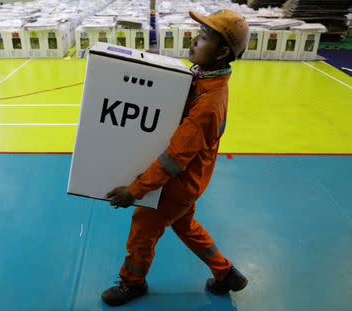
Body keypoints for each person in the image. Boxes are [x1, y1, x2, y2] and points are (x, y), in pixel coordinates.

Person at [102, 9, 251, 307]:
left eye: (204, 38)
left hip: (179, 184)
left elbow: (174, 158)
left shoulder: (209, 102)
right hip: (193, 181)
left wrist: (135, 191)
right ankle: (226, 274)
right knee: (186, 227)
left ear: (222, 52)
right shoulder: (204, 77)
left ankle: (133, 284)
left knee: (143, 230)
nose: (195, 41)